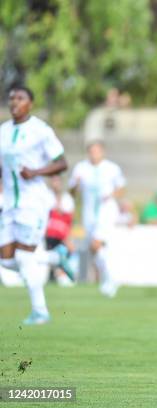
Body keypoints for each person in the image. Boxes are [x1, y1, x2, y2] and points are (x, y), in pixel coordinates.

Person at [0, 85, 73, 324]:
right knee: (6, 259)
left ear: (30, 103)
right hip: (10, 202)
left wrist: (36, 172)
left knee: (24, 258)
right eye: (11, 98)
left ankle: (40, 311)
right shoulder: (3, 131)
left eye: (20, 98)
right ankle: (54, 257)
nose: (14, 102)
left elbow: (62, 163)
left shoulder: (40, 130)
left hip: (33, 203)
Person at [69, 141, 126, 298]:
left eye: (97, 151)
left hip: (106, 210)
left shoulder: (112, 168)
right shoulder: (81, 168)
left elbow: (121, 189)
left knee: (96, 243)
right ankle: (109, 279)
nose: (94, 154)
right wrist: (76, 185)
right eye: (91, 151)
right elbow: (73, 192)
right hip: (89, 212)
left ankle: (110, 279)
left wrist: (111, 195)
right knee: (95, 249)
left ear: (103, 152)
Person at [45, 175, 76, 286]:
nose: (55, 184)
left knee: (67, 249)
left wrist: (69, 238)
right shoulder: (45, 196)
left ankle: (60, 272)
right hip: (46, 235)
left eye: (57, 181)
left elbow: (69, 221)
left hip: (61, 236)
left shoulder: (67, 199)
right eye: (53, 181)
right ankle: (57, 265)